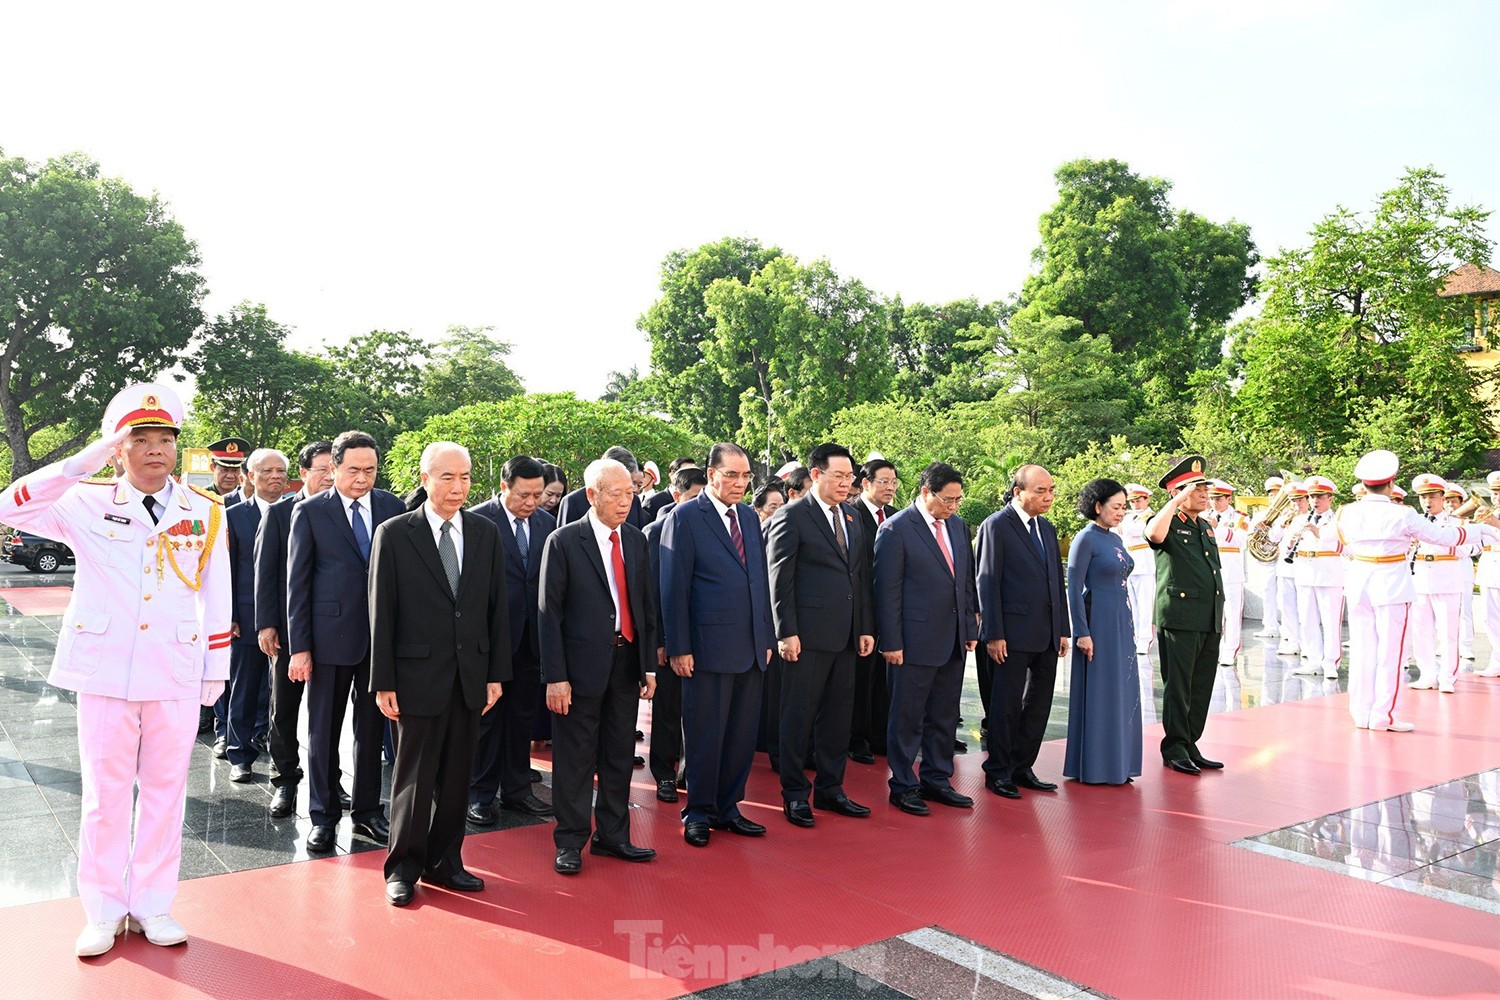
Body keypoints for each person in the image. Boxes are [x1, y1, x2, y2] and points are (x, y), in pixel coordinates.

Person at [0, 383, 230, 956]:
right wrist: (81, 462)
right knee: (105, 796)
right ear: (118, 448)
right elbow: (9, 506)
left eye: (166, 440)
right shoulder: (84, 500)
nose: (156, 450)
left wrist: (214, 666)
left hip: (175, 669)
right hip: (105, 669)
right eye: (140, 439)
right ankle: (102, 910)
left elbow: (218, 593)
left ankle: (153, 904)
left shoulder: (203, 512)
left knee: (164, 793)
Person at [369, 442, 509, 905]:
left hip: (470, 674)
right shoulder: (394, 533)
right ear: (425, 479)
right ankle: (403, 867)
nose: (458, 486)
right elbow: (381, 614)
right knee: (413, 776)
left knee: (457, 776)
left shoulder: (486, 533)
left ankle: (447, 861)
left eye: (465, 477)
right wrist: (383, 680)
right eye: (447, 477)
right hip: (415, 676)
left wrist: (495, 674)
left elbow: (496, 610)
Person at [287, 430, 405, 853]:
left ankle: (370, 811)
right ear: (334, 467)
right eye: (353, 469)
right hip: (328, 639)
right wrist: (299, 647)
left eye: (370, 470)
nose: (362, 478)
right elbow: (297, 584)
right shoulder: (310, 512)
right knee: (322, 731)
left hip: (380, 640)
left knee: (372, 732)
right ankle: (322, 815)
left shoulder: (393, 507)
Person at [540, 458, 659, 874]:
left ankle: (614, 836)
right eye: (616, 494)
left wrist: (648, 666)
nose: (626, 502)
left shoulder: (637, 540)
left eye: (630, 493)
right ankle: (570, 841)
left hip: (625, 663)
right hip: (578, 669)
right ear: (592, 495)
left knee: (618, 755)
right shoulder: (564, 541)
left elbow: (645, 606)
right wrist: (555, 676)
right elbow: (548, 614)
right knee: (574, 760)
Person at [660, 443, 775, 847]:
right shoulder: (686, 517)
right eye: (732, 475)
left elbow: (758, 580)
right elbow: (674, 587)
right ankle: (698, 812)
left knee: (742, 735)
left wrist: (766, 636)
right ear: (711, 474)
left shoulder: (748, 516)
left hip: (750, 647)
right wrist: (678, 646)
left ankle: (729, 808)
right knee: (704, 734)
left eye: (746, 476)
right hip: (706, 648)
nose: (741, 484)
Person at [765, 444, 875, 828]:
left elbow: (858, 577)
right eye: (839, 476)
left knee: (837, 718)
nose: (846, 484)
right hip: (805, 637)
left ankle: (831, 788)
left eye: (850, 478)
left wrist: (864, 626)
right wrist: (786, 632)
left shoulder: (852, 517)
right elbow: (779, 578)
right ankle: (795, 794)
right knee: (798, 717)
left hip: (846, 636)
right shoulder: (792, 516)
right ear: (816, 474)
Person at [1340, 452, 1486, 731]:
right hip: (1391, 586)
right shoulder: (1402, 513)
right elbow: (1444, 537)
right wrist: (1479, 530)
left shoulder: (1346, 512)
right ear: (1391, 483)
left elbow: (1345, 545)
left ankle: (1361, 713)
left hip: (1359, 584)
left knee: (1362, 652)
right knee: (1391, 654)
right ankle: (1384, 715)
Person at [875, 462, 979, 816]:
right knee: (907, 717)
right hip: (911, 641)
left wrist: (970, 627)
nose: (953, 506)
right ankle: (903, 784)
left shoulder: (960, 528)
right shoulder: (896, 529)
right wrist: (891, 641)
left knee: (945, 714)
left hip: (952, 639)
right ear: (925, 492)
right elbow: (886, 592)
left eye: (958, 500)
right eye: (947, 500)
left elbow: (965, 582)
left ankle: (937, 778)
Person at [464, 456, 556, 824]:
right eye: (523, 495)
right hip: (488, 640)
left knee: (521, 718)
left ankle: (517, 789)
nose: (531, 503)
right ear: (504, 487)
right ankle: (480, 794)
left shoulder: (547, 523)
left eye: (537, 495)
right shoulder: (477, 520)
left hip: (530, 638)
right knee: (486, 720)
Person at [975, 464, 1070, 799]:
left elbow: (1055, 582)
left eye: (1051, 490)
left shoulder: (1046, 528)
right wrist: (995, 633)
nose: (1049, 497)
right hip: (1010, 634)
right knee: (1005, 706)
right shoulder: (996, 526)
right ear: (1018, 492)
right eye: (1040, 491)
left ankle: (1022, 766)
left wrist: (1062, 628)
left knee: (1039, 704)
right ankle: (998, 771)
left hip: (1045, 633)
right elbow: (987, 581)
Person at [254, 440, 333, 817]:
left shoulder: (344, 512)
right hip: (289, 631)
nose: (330, 476)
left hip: (336, 631)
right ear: (303, 473)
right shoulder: (281, 513)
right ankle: (284, 781)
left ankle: (330, 782)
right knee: (284, 710)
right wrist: (266, 624)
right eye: (322, 469)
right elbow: (266, 572)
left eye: (336, 467)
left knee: (329, 715)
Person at [1146, 455, 1224, 776]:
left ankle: (1191, 742)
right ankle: (1175, 746)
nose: (1206, 493)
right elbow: (1153, 534)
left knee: (1201, 684)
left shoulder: (1204, 526)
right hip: (1179, 617)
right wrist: (1177, 499)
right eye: (1198, 489)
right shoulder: (1165, 520)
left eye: (1206, 487)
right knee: (1178, 685)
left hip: (1208, 616)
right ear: (1177, 492)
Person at [1062, 479, 1143, 786]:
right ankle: (1096, 766)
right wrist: (1081, 631)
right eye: (1116, 507)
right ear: (1098, 506)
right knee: (1101, 694)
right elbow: (1074, 588)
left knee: (1122, 693)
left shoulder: (1115, 539)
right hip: (1097, 626)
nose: (1121, 512)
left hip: (1122, 622)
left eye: (1124, 507)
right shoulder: (1086, 539)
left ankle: (1120, 764)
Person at [642, 465, 707, 802]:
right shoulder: (655, 532)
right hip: (669, 640)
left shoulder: (711, 529)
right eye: (693, 497)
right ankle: (664, 774)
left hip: (705, 638)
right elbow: (654, 593)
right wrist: (662, 641)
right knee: (668, 711)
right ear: (677, 495)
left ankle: (690, 772)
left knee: (699, 712)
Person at [224, 448, 288, 782]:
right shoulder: (234, 516)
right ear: (250, 476)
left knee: (280, 692)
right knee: (245, 686)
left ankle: (273, 745)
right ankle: (240, 753)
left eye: (280, 471)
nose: (275, 477)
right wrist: (231, 615)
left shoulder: (298, 512)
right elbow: (227, 571)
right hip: (247, 617)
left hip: (288, 618)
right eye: (266, 471)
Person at [848, 457, 897, 764]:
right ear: (865, 483)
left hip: (889, 609)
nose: (890, 488)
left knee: (885, 677)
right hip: (860, 610)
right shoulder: (850, 516)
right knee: (861, 678)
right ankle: (856, 738)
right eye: (884, 482)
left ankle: (881, 735)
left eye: (893, 482)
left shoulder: (895, 516)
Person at [1408, 474, 1467, 693]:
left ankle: (1448, 676)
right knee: (1421, 630)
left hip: (1447, 580)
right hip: (1421, 579)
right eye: (1424, 498)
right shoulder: (1415, 523)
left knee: (1448, 632)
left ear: (1442, 497)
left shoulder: (1457, 522)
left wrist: (1444, 539)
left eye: (1432, 497)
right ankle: (1427, 673)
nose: (1427, 502)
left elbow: (1471, 548)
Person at [1290, 475, 1344, 680]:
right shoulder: (1299, 519)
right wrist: (1292, 542)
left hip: (1329, 574)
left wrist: (1318, 532)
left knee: (1330, 621)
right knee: (1307, 619)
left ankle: (1331, 662)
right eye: (1312, 496)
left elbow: (1345, 547)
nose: (1315, 501)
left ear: (1330, 498)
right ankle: (1313, 660)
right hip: (1305, 572)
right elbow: (1287, 546)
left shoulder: (1338, 519)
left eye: (1320, 496)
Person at [1206, 480, 1248, 667]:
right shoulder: (1204, 515)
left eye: (1219, 498)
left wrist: (1218, 527)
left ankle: (1230, 650)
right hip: (1210, 570)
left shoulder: (1240, 518)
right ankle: (1213, 649)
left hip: (1231, 572)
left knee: (1231, 613)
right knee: (1212, 613)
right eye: (1212, 498)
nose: (1215, 502)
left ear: (1229, 498)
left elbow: (1240, 541)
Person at [557, 446, 646, 528]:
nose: (624, 502)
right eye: (616, 492)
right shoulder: (573, 502)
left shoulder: (634, 502)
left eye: (630, 482)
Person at [1115, 484, 1157, 656]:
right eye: (1132, 501)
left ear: (1147, 499)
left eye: (1138, 500)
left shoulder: (1151, 516)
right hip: (1129, 564)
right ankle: (1134, 637)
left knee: (1145, 605)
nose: (1135, 504)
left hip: (1145, 565)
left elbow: (1136, 531)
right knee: (1132, 605)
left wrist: (1124, 529)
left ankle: (1145, 639)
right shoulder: (1128, 517)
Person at [1253, 476, 1286, 639]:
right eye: (1272, 495)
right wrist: (1260, 530)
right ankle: (1270, 626)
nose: (1274, 498)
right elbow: (1250, 537)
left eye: (1277, 494)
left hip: (1283, 558)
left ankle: (1287, 628)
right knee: (1267, 592)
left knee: (1285, 595)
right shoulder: (1260, 514)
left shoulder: (1288, 515)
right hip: (1267, 559)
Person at [1476, 470, 1500, 678]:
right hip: (1489, 568)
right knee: (1489, 618)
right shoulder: (1489, 514)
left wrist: (1496, 524)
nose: (1496, 497)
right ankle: (1497, 661)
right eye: (1494, 492)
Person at [207, 436, 251, 506]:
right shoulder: (202, 497)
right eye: (224, 470)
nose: (230, 476)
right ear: (212, 468)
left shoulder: (247, 498)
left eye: (235, 470)